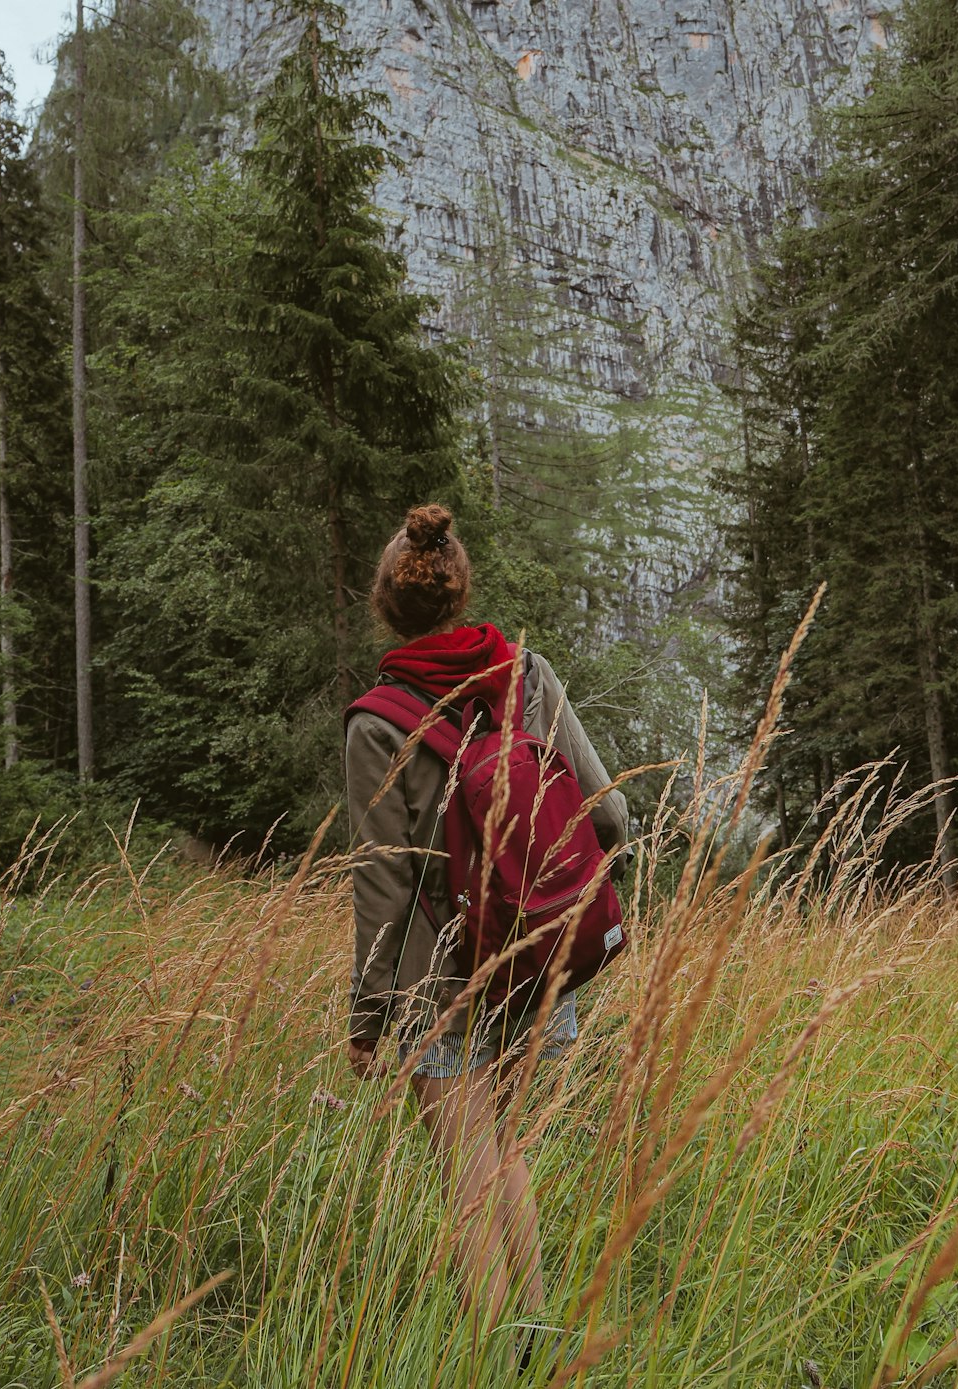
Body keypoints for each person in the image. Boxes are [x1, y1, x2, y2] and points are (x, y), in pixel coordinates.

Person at [345, 503, 628, 1364]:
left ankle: (491, 1363)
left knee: (467, 1179)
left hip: (444, 979)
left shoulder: (376, 721)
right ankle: (536, 1350)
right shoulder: (528, 674)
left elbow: (384, 888)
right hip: (540, 960)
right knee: (508, 1157)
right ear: (460, 589)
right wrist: (543, 888)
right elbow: (610, 811)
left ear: (384, 606)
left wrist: (366, 1018)